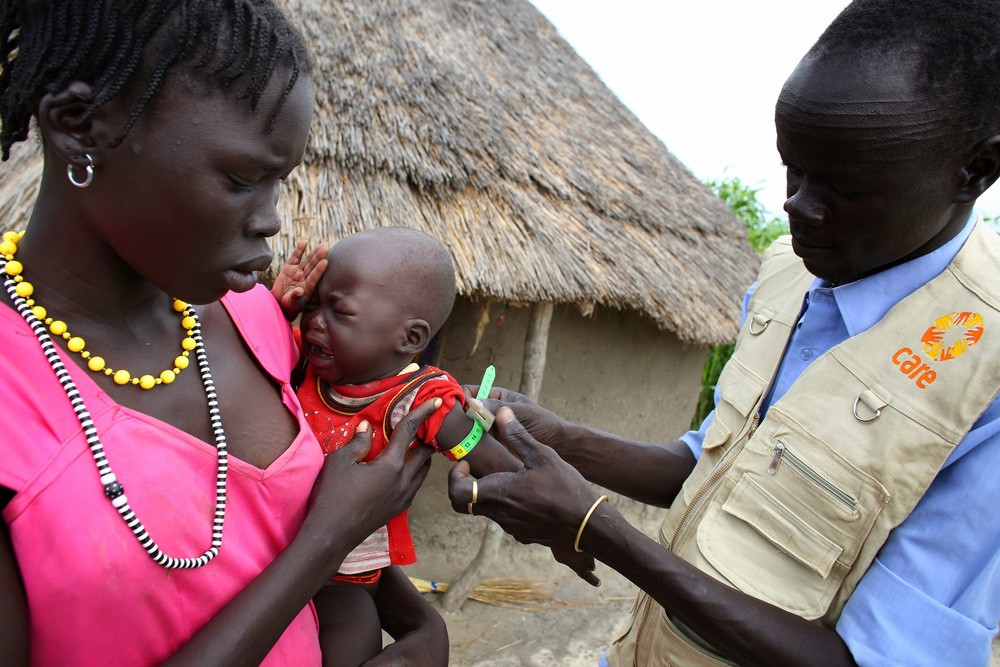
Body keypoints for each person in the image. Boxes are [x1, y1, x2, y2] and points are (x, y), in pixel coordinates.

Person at [448, 1, 1000, 665]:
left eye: (844, 187)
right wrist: (563, 438)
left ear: (976, 170)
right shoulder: (790, 276)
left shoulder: (984, 377)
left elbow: (871, 658)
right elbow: (716, 463)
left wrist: (598, 529)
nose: (797, 204)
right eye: (792, 168)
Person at [0, 3, 448, 665]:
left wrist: (418, 625)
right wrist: (326, 539)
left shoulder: (260, 322)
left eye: (278, 182)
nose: (271, 220)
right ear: (78, 127)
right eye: (241, 179)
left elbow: (277, 517)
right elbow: (325, 525)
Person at [274, 226, 523, 666]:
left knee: (351, 643)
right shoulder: (295, 359)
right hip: (268, 553)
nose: (313, 320)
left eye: (340, 311)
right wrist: (276, 310)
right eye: (312, 305)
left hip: (343, 580)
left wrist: (539, 510)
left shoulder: (418, 401)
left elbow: (487, 459)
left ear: (408, 339)